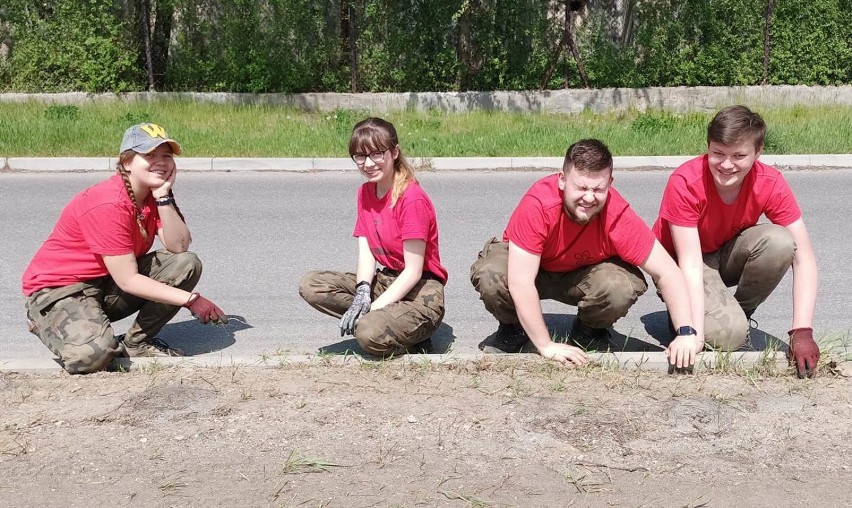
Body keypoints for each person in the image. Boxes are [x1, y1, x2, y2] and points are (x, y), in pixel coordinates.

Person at [22, 123, 228, 374]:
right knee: (94, 357)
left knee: (186, 263)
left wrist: (164, 196)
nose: (160, 162)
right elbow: (129, 280)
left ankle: (138, 344)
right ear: (127, 162)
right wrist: (192, 300)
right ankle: (48, 324)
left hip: (105, 282)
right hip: (60, 290)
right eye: (150, 155)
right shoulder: (108, 202)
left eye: (166, 155)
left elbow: (179, 246)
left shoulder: (152, 195)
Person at [471, 139, 697, 367]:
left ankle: (588, 332)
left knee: (621, 285)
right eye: (581, 188)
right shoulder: (538, 204)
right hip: (533, 271)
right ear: (562, 180)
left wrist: (686, 333)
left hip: (581, 277)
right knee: (491, 273)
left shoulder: (617, 214)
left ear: (610, 182)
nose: (589, 198)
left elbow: (667, 272)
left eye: (598, 189)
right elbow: (521, 281)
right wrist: (546, 345)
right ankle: (514, 328)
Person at [653, 105, 819, 378]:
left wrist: (802, 330)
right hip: (683, 263)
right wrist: (692, 332)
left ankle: (738, 310)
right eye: (718, 153)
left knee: (781, 242)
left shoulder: (770, 182)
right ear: (708, 147)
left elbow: (805, 259)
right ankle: (692, 315)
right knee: (730, 338)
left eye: (739, 156)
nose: (727, 164)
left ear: (758, 152)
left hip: (725, 252)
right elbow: (691, 264)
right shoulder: (685, 181)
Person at [299, 117, 447, 357]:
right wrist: (362, 294)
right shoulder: (365, 192)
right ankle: (391, 324)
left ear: (395, 152)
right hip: (386, 279)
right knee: (311, 284)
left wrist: (371, 310)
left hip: (421, 291)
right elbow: (366, 252)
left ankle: (416, 334)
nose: (368, 164)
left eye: (377, 154)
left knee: (367, 333)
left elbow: (413, 271)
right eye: (360, 156)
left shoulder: (411, 198)